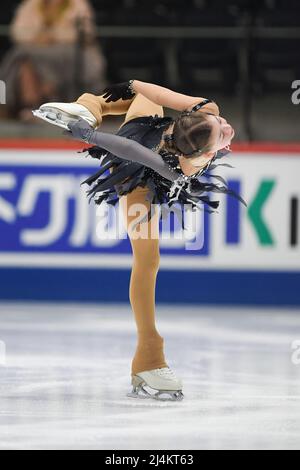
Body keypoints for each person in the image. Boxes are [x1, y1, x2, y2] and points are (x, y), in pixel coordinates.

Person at [33, 80, 247, 401]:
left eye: (221, 129)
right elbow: (145, 126)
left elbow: (145, 126)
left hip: (141, 156)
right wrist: (119, 99)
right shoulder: (199, 136)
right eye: (221, 129)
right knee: (148, 261)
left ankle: (91, 106)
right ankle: (149, 354)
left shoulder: (197, 137)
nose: (226, 125)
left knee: (148, 259)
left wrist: (100, 123)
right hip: (139, 153)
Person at [0, 0, 106, 120]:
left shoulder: (78, 5)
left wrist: (55, 37)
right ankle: (31, 104)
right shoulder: (31, 5)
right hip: (35, 50)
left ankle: (35, 102)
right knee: (23, 62)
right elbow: (17, 31)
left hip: (65, 54)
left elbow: (87, 32)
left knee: (21, 56)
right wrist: (38, 37)